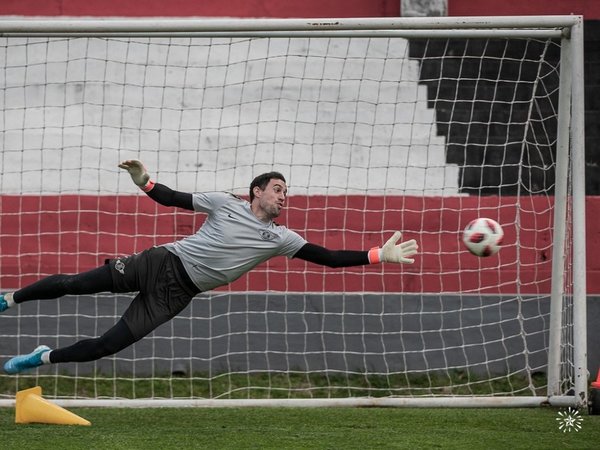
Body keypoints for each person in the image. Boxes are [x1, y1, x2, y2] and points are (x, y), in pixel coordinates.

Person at [0, 160, 418, 374]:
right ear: (257, 191)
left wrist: (378, 255)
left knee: (108, 346)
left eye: (287, 193)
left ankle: (42, 357)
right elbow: (172, 198)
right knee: (77, 283)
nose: (283, 197)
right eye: (277, 189)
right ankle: (8, 299)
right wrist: (144, 180)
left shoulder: (282, 238)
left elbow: (327, 258)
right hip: (160, 262)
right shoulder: (224, 202)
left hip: (178, 295)